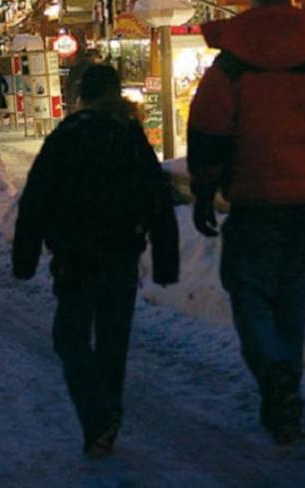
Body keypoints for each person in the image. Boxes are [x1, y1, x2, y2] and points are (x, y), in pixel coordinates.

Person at [186, 0, 305, 444]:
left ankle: (274, 373)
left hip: (251, 206)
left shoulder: (230, 67)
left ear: (253, 13)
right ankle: (285, 393)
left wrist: (204, 194)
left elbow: (208, 131)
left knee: (248, 295)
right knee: (290, 300)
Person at [13, 64, 180, 458]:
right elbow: (157, 198)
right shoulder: (129, 136)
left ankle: (98, 415)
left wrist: (25, 257)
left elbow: (36, 199)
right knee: (112, 339)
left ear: (82, 95)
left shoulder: (67, 136)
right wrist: (166, 258)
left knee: (69, 337)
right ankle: (107, 415)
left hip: (77, 257)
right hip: (122, 255)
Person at [63, 48, 102, 114]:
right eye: (97, 57)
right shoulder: (91, 68)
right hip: (84, 100)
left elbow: (69, 85)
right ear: (92, 56)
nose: (98, 60)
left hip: (75, 100)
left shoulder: (77, 67)